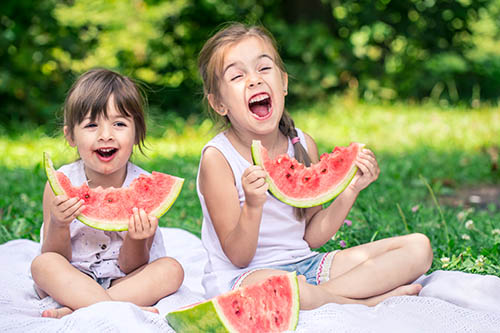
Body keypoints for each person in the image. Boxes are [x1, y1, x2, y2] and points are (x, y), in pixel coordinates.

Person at [196, 23, 433, 310]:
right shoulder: (218, 157)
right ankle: (367, 300)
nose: (254, 81)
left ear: (283, 83)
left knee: (418, 248)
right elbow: (238, 256)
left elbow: (313, 236)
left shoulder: (303, 144)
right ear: (219, 103)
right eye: (237, 75)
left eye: (263, 68)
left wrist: (350, 190)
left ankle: (321, 297)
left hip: (306, 266)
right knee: (283, 288)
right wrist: (254, 206)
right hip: (246, 278)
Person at [31, 69, 184, 318]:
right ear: (70, 136)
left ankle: (83, 310)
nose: (105, 135)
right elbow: (55, 254)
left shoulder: (142, 187)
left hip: (125, 282)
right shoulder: (60, 184)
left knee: (171, 270)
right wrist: (59, 224)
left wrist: (137, 239)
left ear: (137, 133)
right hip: (71, 280)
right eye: (91, 125)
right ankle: (116, 309)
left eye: (119, 124)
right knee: (43, 264)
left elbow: (133, 266)